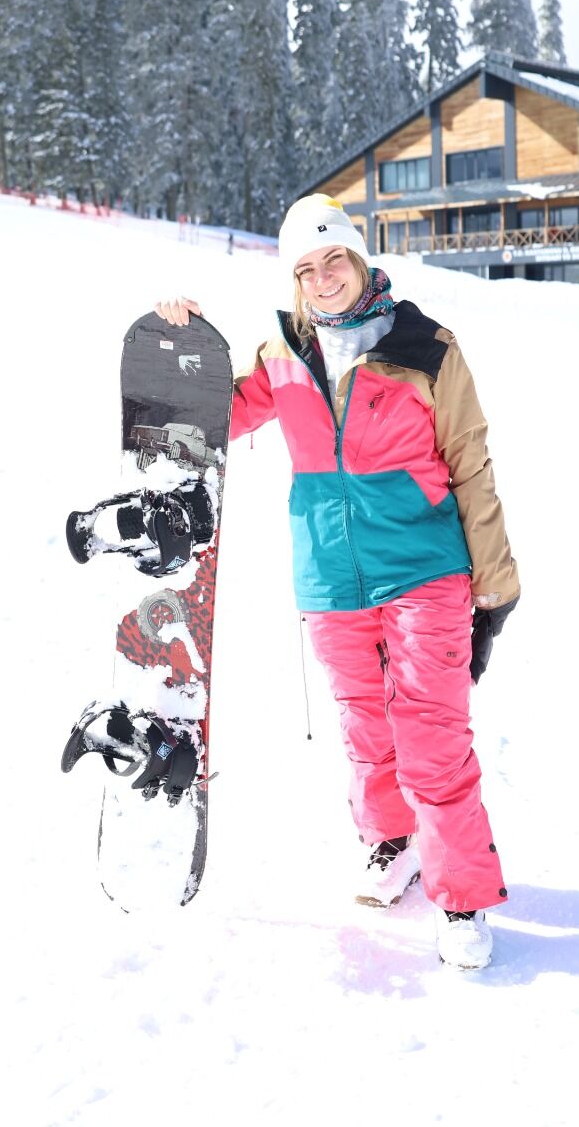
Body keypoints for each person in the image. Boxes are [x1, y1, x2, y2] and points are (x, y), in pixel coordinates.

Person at [154, 194, 520, 970]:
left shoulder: (426, 348)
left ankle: (462, 898)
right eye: (306, 269)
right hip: (329, 578)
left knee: (432, 738)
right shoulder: (282, 354)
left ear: (358, 258)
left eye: (334, 260)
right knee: (364, 727)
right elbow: (214, 417)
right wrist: (182, 347)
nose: (323, 279)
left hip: (424, 568)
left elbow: (472, 465)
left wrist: (495, 587)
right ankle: (392, 842)